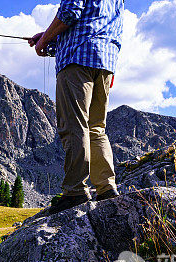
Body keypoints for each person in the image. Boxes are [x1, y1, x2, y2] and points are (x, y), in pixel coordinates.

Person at [30, 0, 124, 215]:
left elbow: (70, 12)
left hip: (76, 60)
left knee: (74, 125)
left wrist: (44, 40)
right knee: (96, 128)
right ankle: (106, 188)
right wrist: (49, 35)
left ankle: (75, 192)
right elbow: (97, 22)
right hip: (105, 61)